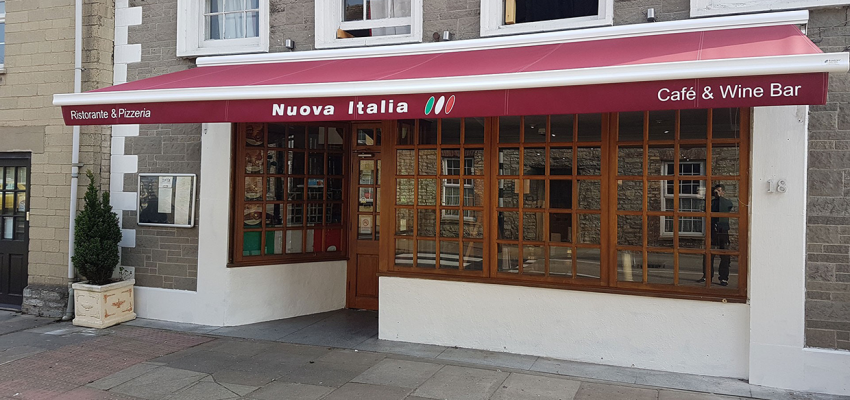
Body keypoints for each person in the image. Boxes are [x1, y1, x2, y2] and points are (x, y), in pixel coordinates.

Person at [697, 184, 734, 286]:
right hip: (712, 231)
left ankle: (723, 278)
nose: (716, 192)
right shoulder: (711, 203)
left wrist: (720, 198)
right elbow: (705, 209)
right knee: (708, 255)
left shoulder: (727, 202)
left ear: (723, 192)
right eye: (715, 191)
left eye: (719, 190)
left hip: (723, 232)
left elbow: (724, 207)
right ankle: (707, 276)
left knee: (725, 256)